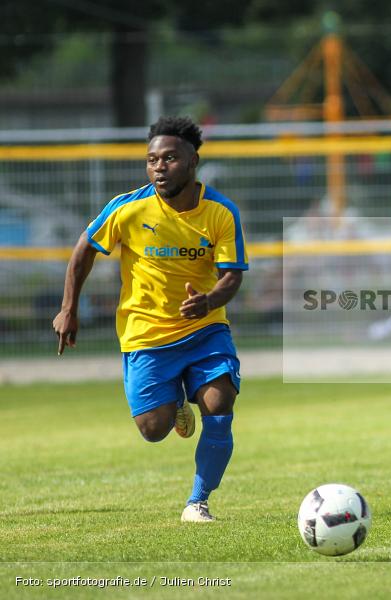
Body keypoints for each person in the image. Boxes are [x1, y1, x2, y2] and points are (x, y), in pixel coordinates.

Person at [52, 116, 249, 523]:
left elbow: (232, 275)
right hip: (145, 334)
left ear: (193, 161)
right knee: (153, 429)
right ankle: (175, 402)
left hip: (204, 327)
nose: (159, 166)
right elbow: (83, 251)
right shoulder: (128, 208)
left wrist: (210, 299)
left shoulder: (220, 212)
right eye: (152, 159)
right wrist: (69, 309)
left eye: (170, 158)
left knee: (219, 401)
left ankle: (198, 502)